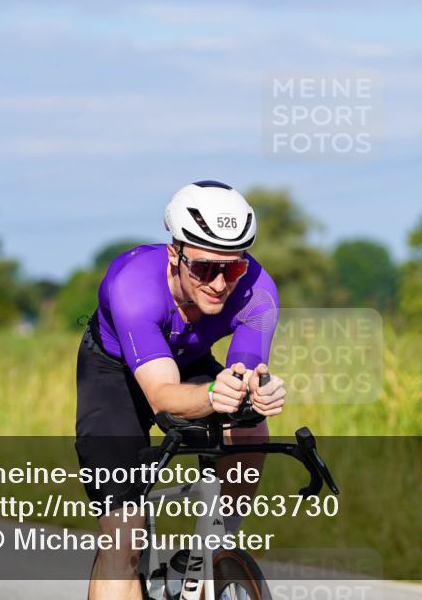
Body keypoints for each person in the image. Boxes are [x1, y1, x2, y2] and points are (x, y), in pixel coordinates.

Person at [74, 180, 286, 600]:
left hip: (188, 361)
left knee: (248, 424)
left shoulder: (259, 292)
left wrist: (257, 390)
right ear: (175, 254)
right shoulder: (134, 285)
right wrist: (210, 396)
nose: (220, 284)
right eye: (204, 269)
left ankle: (214, 550)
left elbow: (242, 374)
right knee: (123, 539)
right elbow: (162, 396)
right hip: (114, 373)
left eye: (232, 268)